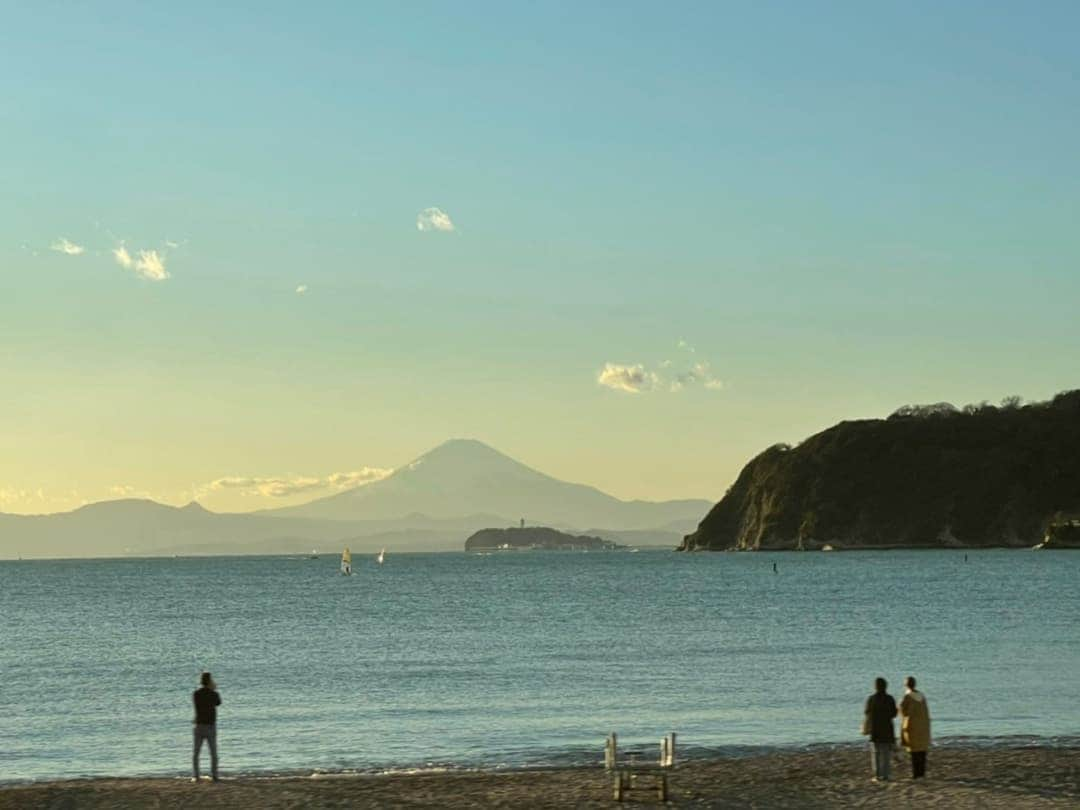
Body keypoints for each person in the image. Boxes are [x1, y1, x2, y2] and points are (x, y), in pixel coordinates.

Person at [864, 677, 897, 782]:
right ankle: (886, 775)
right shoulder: (890, 698)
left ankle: (877, 775)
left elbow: (867, 712)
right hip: (887, 729)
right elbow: (894, 713)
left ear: (875, 687)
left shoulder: (871, 699)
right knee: (886, 754)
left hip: (875, 729)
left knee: (876, 754)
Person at [899, 675, 931, 778]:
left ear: (906, 685)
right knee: (922, 751)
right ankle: (921, 773)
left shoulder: (907, 697)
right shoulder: (922, 696)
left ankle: (916, 774)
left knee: (914, 752)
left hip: (912, 726)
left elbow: (902, 711)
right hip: (923, 726)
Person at [192, 672, 222, 782]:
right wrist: (214, 689)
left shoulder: (196, 694)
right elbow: (218, 703)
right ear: (209, 681)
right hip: (210, 726)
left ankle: (196, 776)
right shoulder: (213, 694)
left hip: (199, 725)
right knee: (213, 753)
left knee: (196, 753)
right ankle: (214, 775)